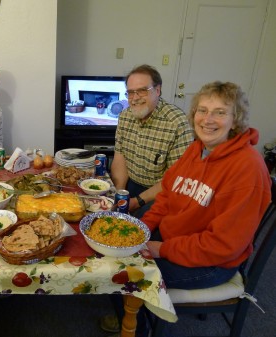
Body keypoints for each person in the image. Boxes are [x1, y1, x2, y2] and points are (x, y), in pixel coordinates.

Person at [108, 81, 272, 337]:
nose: (208, 119)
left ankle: (135, 325)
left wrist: (160, 248)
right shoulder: (198, 149)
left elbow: (222, 245)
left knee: (127, 273)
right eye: (202, 110)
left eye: (220, 112)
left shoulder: (248, 168)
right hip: (179, 239)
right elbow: (166, 198)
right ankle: (130, 312)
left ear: (235, 119)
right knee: (117, 245)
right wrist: (143, 229)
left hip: (212, 262)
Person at [110, 64, 193, 217]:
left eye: (142, 91)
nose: (134, 98)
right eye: (130, 92)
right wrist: (118, 195)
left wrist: (137, 201)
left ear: (157, 90)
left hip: (160, 193)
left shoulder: (177, 123)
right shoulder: (125, 116)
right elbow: (119, 158)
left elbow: (176, 178)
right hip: (130, 185)